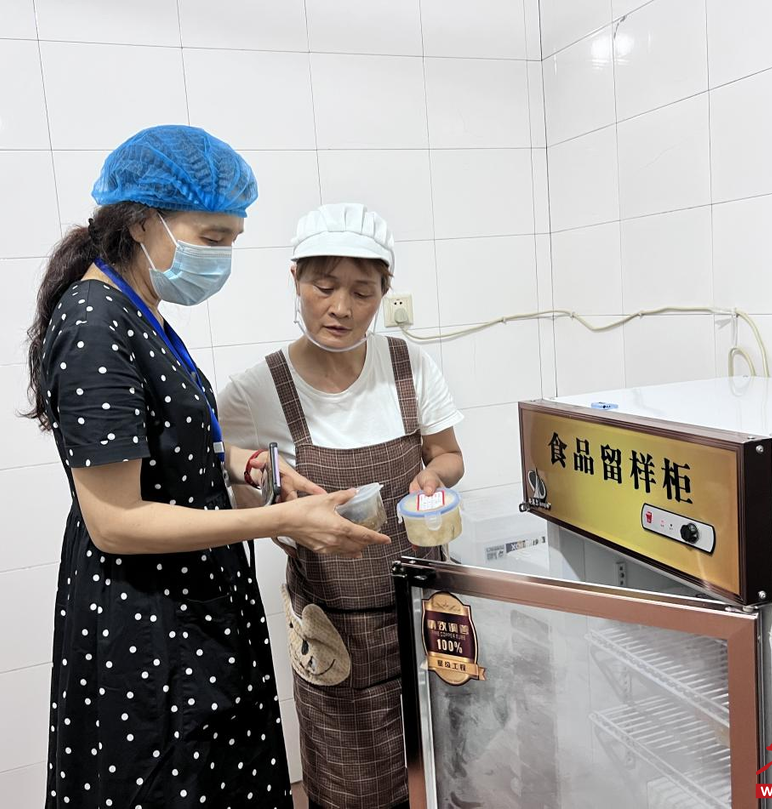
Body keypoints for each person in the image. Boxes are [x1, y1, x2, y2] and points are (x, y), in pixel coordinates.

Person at [24, 128, 390, 809]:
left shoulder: (138, 307)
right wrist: (282, 520)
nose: (221, 258)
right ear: (142, 221)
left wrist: (245, 461)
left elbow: (155, 441)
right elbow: (114, 520)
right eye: (212, 238)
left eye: (231, 240)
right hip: (150, 624)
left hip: (192, 603)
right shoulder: (96, 319)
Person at [219, 203, 466, 809]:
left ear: (384, 291)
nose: (341, 308)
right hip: (334, 627)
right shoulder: (255, 391)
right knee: (350, 781)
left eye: (362, 291)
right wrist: (268, 492)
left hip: (424, 608)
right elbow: (232, 491)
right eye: (324, 286)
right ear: (296, 280)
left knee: (446, 767)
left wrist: (432, 476)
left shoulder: (407, 366)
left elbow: (449, 455)